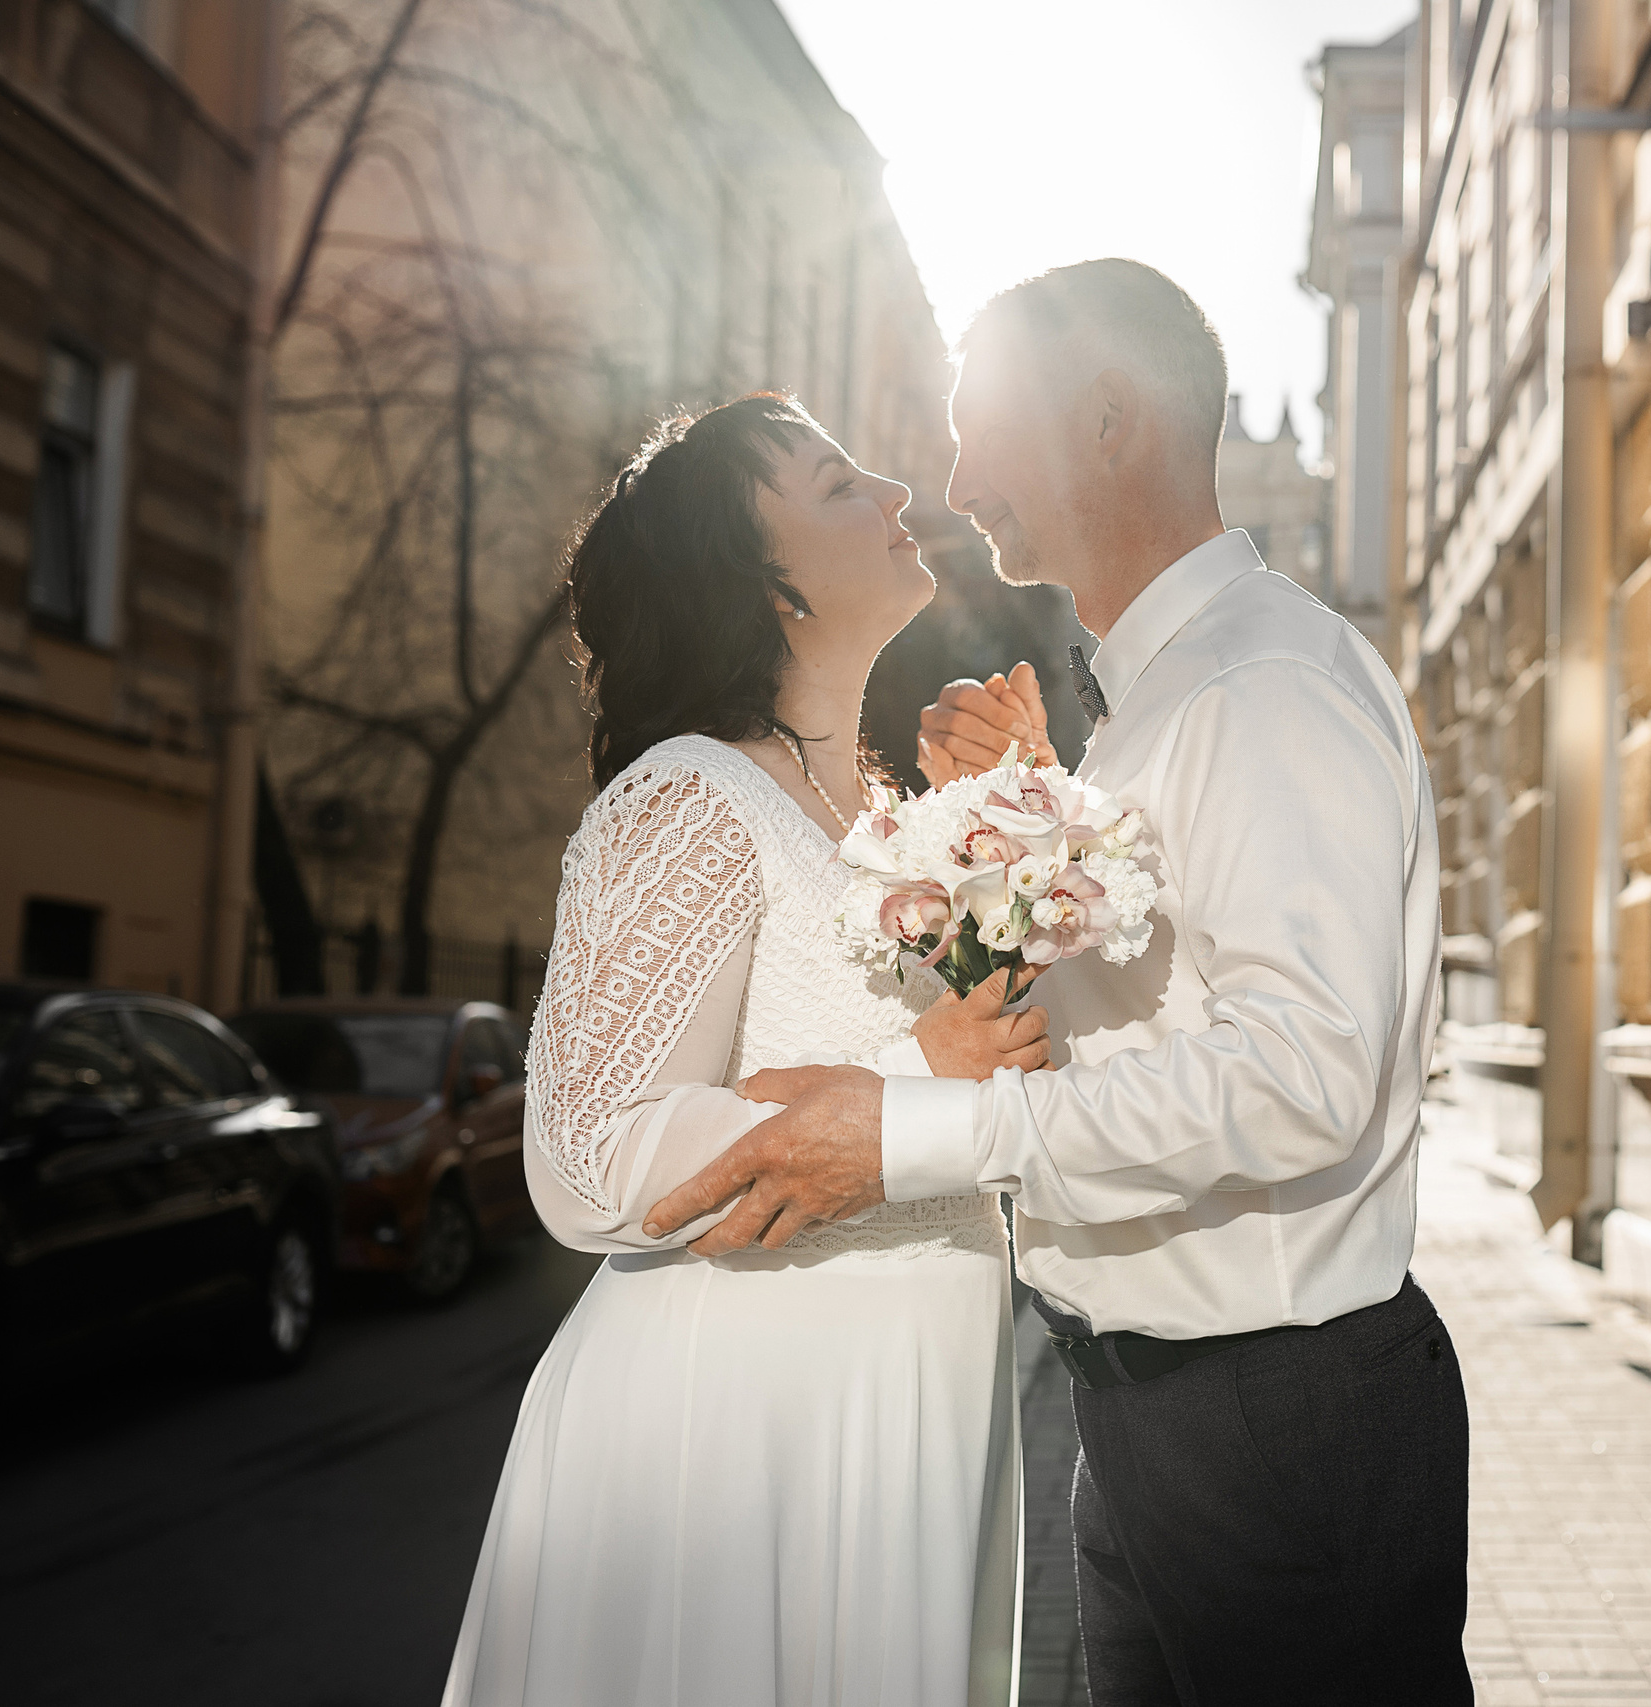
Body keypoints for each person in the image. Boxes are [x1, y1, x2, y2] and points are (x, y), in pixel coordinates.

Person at [647, 262, 1472, 1704]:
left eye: (984, 429)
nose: (953, 477)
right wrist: (1031, 813)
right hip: (1164, 1418)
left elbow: (1303, 1079)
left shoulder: (1255, 687)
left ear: (1108, 425)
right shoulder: (1163, 698)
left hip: (1273, 1428)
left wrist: (906, 1140)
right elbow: (1156, 1012)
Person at [440, 394, 1047, 1707]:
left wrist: (1019, 811)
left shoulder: (885, 814)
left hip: (905, 1422)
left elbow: (1016, 1059)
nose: (894, 491)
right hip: (735, 1442)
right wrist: (913, 1087)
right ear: (759, 582)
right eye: (839, 486)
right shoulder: (687, 794)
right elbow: (587, 1162)